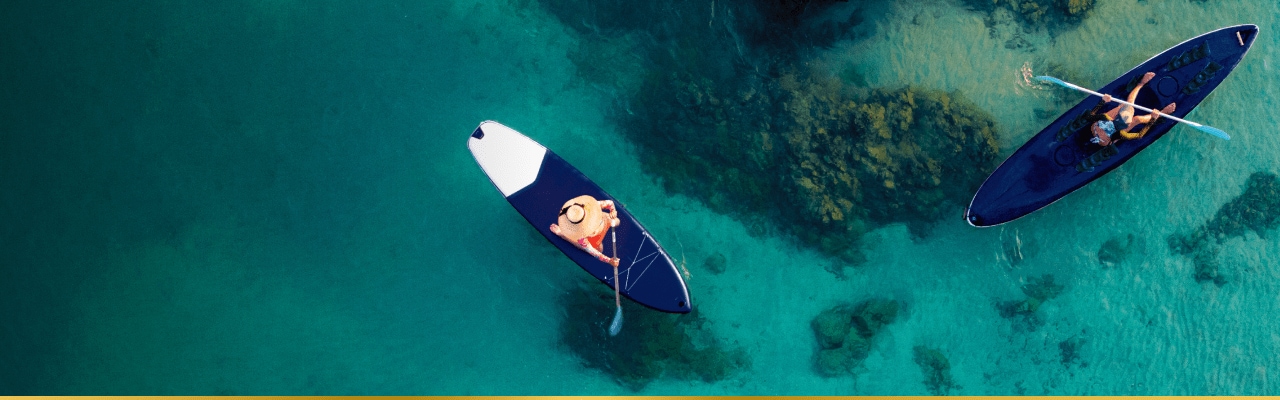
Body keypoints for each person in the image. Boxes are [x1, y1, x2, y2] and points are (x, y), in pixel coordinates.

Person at [1084, 72, 1178, 147]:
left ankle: (1140, 84)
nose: (1132, 114)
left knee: (1127, 104)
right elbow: (1140, 135)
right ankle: (1161, 113)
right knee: (1137, 119)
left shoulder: (1106, 118)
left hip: (1099, 130)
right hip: (1104, 137)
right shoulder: (1119, 131)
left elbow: (1089, 117)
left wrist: (1103, 101)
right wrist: (1153, 118)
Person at [550, 195, 621, 267]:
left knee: (617, 221)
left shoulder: (591, 206)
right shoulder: (580, 236)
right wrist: (609, 260)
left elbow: (610, 203)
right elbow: (594, 252)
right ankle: (562, 233)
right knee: (599, 249)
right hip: (594, 237)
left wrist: (613, 211)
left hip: (604, 219)